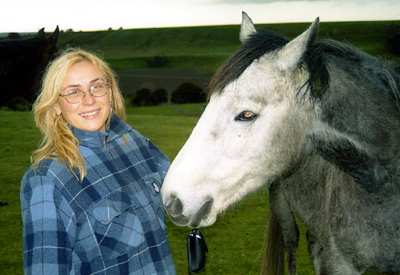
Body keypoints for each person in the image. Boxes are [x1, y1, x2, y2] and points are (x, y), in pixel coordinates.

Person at [20, 48, 176, 275]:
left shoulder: (136, 144)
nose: (89, 99)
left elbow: (184, 195)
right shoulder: (48, 179)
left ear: (110, 92)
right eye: (73, 92)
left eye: (97, 86)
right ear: (55, 107)